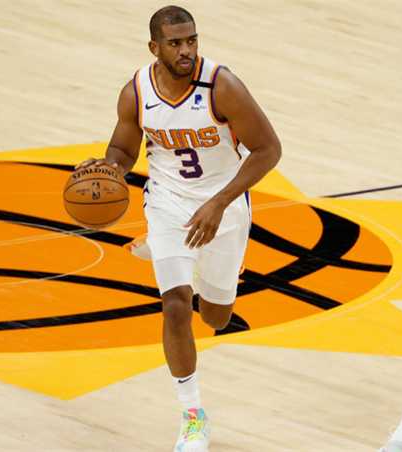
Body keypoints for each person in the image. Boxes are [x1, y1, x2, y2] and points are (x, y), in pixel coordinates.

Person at [76, 5, 281, 451]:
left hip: (224, 205)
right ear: (155, 47)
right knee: (174, 305)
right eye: (175, 43)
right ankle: (192, 417)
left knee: (216, 317)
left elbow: (269, 150)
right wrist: (107, 169)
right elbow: (122, 149)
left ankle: (218, 268)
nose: (186, 50)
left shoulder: (222, 87)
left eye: (191, 40)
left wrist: (218, 203)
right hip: (167, 204)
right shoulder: (136, 92)